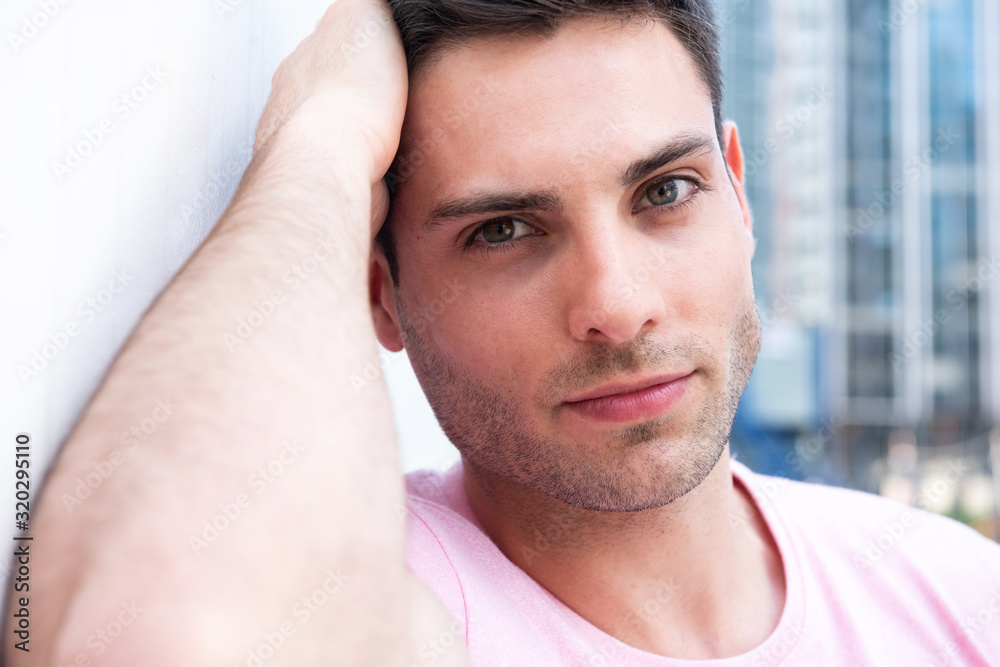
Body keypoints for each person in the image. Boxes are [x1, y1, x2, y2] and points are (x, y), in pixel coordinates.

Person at [15, 0, 1000, 665]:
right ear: (380, 290)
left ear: (738, 196)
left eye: (664, 191)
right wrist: (323, 137)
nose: (615, 303)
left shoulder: (952, 592)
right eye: (503, 230)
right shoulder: (387, 599)